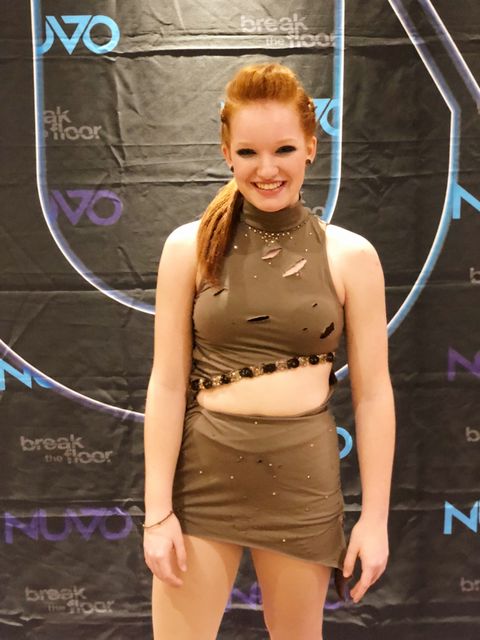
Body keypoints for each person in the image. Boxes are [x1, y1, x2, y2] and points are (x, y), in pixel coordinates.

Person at [143, 62, 395, 640]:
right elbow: (167, 383)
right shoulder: (187, 248)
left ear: (310, 147)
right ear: (226, 154)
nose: (267, 168)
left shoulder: (352, 256)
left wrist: (375, 519)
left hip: (302, 480)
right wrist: (157, 513)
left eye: (283, 149)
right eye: (248, 152)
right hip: (205, 477)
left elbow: (374, 395)